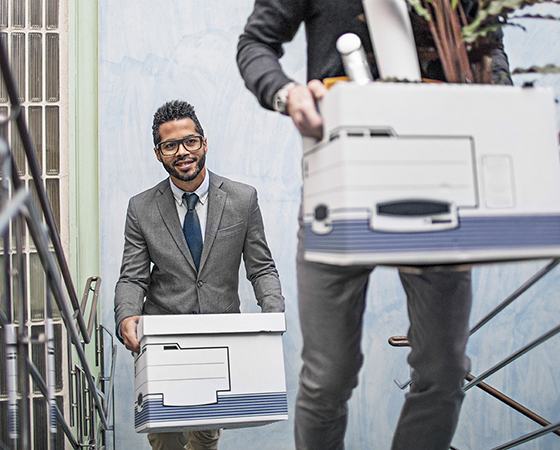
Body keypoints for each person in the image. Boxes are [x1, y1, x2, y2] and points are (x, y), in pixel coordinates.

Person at [237, 1, 512, 449]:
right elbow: (255, 43)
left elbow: (491, 49)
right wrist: (287, 93)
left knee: (444, 371)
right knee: (328, 377)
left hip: (439, 174)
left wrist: (502, 96)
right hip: (340, 179)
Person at [113, 99, 285, 450]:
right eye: (170, 145)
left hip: (219, 340)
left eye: (190, 141)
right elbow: (132, 276)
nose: (182, 152)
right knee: (165, 439)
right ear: (159, 153)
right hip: (162, 341)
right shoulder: (141, 208)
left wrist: (273, 316)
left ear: (203, 143)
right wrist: (127, 314)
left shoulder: (242, 199)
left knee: (205, 440)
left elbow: (261, 267)